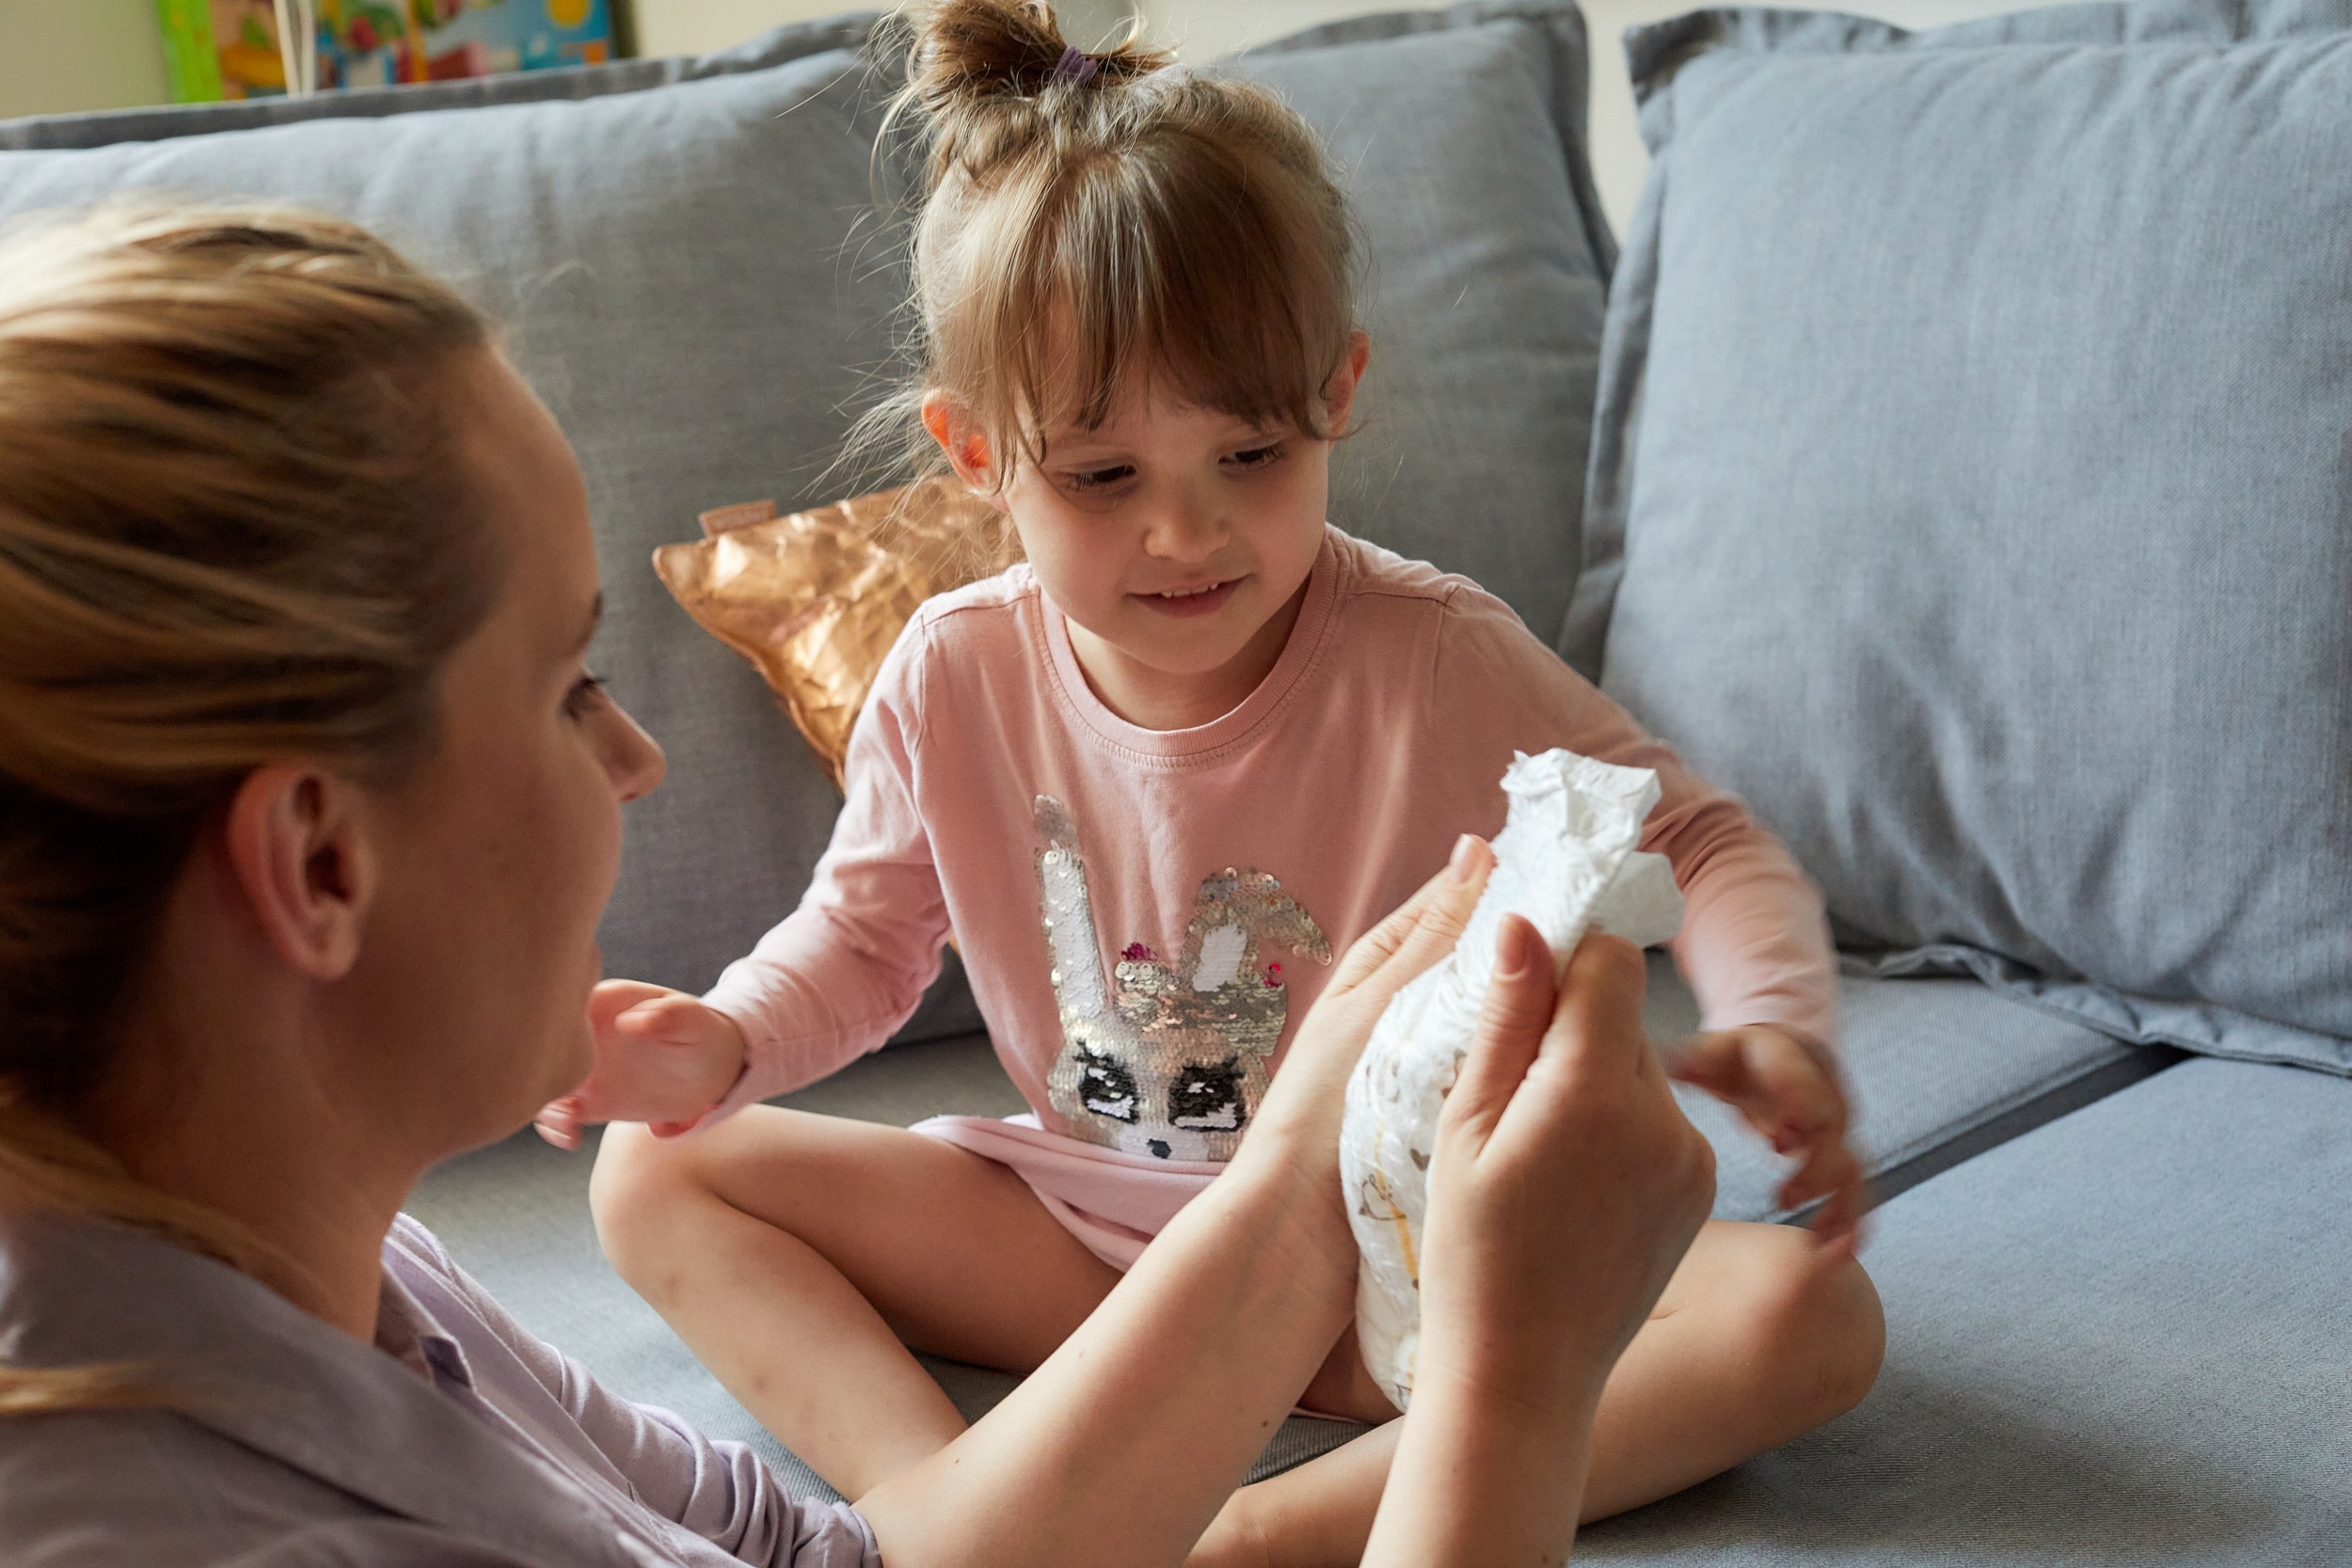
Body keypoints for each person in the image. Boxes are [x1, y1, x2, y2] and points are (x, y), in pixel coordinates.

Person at [0, 197, 1718, 1567]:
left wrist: (1291, 1194)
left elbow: (827, 1562)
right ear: (317, 859)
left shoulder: (335, 1277)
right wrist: (1506, 1383)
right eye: (567, 685)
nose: (635, 761)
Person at [571, 4, 1885, 1563]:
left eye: (1250, 459)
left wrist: (1774, 1023)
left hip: (1408, 1254)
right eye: (1104, 477)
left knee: (1811, 1310)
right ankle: (945, 1513)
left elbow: (1703, 838)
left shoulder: (1432, 652)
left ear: (1338, 391)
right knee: (650, 1172)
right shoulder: (953, 669)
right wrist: (719, 1038)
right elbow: (860, 946)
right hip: (1094, 1242)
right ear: (976, 455)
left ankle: (1251, 1536)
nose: (1185, 538)